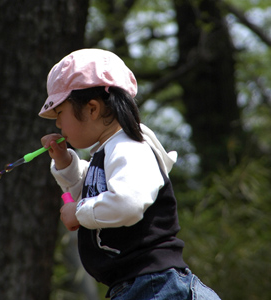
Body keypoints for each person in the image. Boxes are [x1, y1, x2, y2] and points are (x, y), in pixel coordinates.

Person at [39, 48, 221, 300]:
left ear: (92, 109)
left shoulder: (129, 148)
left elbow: (127, 202)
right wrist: (64, 161)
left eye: (60, 114)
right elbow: (92, 191)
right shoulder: (106, 150)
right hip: (136, 285)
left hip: (155, 284)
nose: (57, 124)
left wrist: (79, 211)